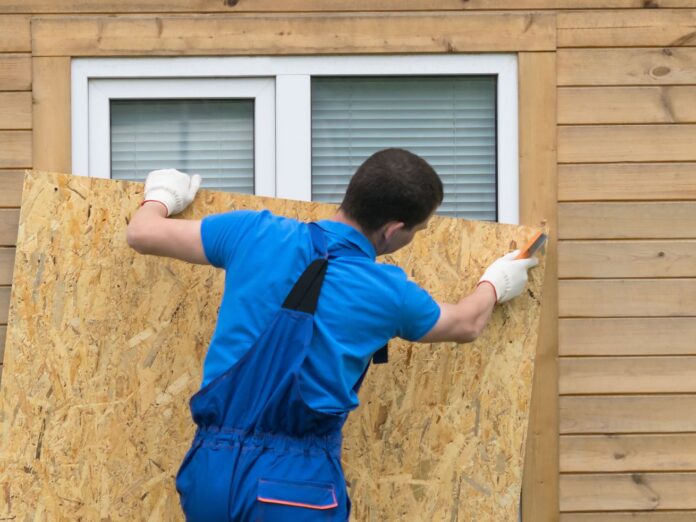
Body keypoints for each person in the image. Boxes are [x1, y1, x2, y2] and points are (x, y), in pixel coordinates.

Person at [126, 148, 538, 522]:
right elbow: (465, 323)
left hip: (210, 477)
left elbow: (142, 233)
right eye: (418, 230)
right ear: (394, 230)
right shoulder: (388, 291)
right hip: (295, 486)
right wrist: (496, 282)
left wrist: (162, 194)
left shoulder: (251, 232)